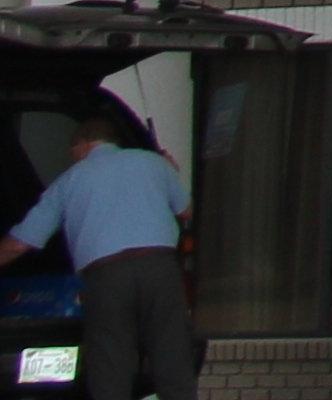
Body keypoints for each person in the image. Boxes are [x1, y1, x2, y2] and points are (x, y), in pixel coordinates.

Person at [3, 97, 191, 400]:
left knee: (110, 365)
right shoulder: (154, 163)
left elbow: (20, 243)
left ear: (83, 145)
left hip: (107, 276)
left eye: (72, 152)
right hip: (161, 271)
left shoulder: (69, 181)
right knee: (173, 358)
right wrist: (169, 172)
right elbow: (185, 212)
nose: (72, 158)